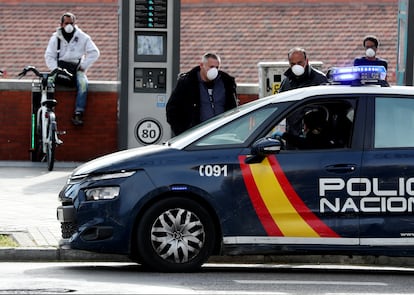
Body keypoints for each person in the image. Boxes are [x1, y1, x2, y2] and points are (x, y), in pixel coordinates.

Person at [45, 12, 100, 126]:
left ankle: (78, 112)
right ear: (61, 24)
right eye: (66, 23)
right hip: (59, 67)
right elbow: (49, 56)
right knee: (47, 82)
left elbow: (94, 52)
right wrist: (55, 69)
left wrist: (83, 66)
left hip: (76, 68)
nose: (69, 26)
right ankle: (47, 108)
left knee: (83, 84)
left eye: (71, 23)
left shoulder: (83, 37)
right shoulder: (55, 38)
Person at [166, 52, 238, 136]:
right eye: (211, 67)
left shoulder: (226, 83)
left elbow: (233, 108)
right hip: (196, 137)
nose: (214, 70)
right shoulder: (187, 83)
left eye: (217, 67)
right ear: (201, 65)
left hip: (222, 134)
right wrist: (182, 134)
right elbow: (172, 110)